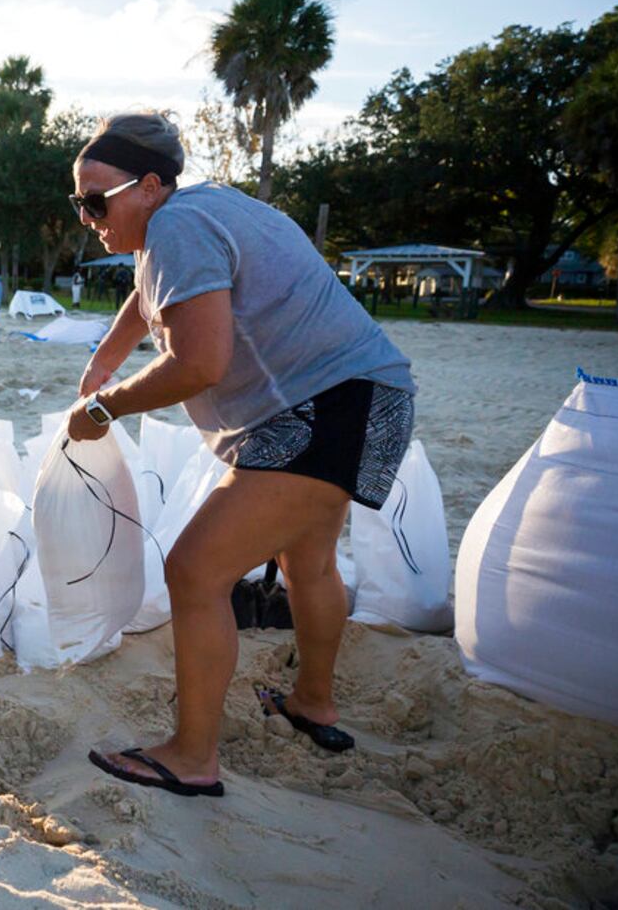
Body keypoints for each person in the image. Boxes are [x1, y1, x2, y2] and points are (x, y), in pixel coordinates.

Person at [68, 113, 416, 797]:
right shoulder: (202, 209)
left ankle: (192, 756)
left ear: (146, 186)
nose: (85, 217)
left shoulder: (175, 226)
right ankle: (312, 702)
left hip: (319, 409)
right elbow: (147, 299)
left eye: (93, 201)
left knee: (195, 571)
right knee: (308, 564)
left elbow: (198, 362)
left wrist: (105, 408)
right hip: (367, 397)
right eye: (76, 203)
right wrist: (102, 362)